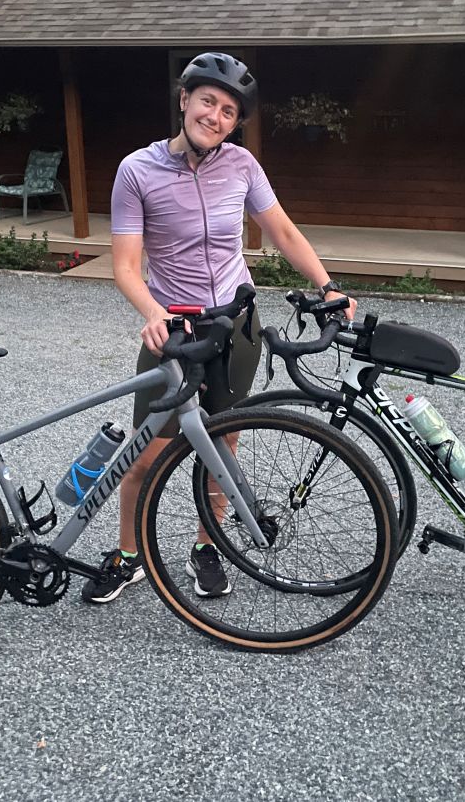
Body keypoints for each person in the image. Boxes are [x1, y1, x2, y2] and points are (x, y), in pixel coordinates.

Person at [82, 51, 356, 603]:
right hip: (175, 330)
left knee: (223, 445)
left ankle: (209, 546)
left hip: (235, 327)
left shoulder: (243, 166)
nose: (217, 116)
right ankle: (129, 555)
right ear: (184, 100)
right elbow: (125, 266)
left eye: (229, 111)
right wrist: (152, 312)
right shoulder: (137, 171)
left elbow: (280, 229)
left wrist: (328, 285)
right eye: (208, 101)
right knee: (148, 454)